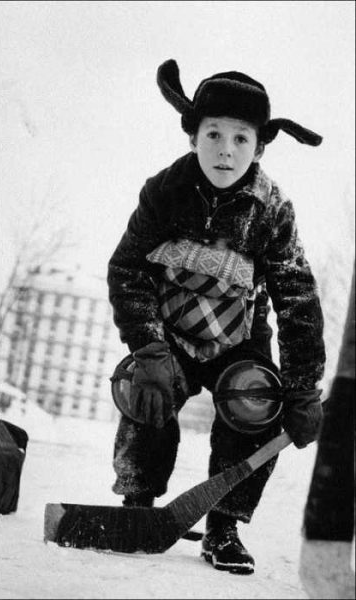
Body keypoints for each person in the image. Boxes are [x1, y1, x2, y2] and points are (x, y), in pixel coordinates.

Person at [107, 59, 326, 575]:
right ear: (193, 138)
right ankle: (138, 503)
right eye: (214, 135)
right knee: (145, 390)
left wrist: (302, 388)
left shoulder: (272, 209)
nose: (226, 150)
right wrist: (149, 348)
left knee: (257, 403)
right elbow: (128, 268)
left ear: (259, 148)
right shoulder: (163, 192)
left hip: (237, 339)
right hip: (171, 334)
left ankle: (223, 524)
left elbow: (296, 297)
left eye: (241, 139)